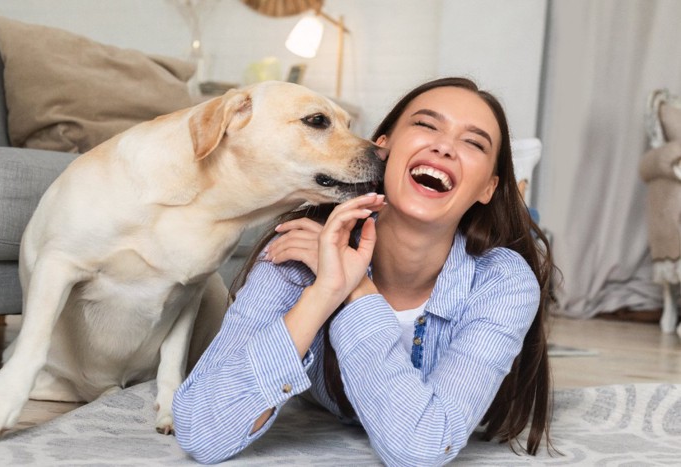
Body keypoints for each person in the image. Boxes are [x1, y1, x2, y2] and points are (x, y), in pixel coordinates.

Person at [172, 77, 555, 465]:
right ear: (381, 148)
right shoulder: (301, 247)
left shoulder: (504, 282)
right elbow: (202, 431)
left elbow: (418, 451)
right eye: (426, 125)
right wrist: (323, 292)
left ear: (488, 189)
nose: (444, 146)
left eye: (473, 143)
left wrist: (356, 289)